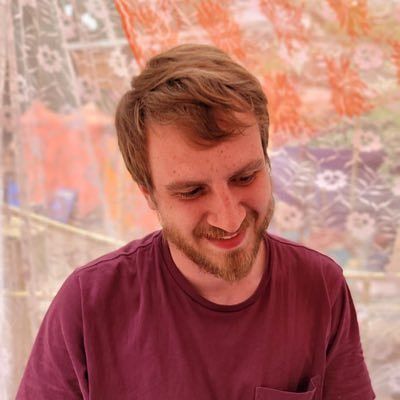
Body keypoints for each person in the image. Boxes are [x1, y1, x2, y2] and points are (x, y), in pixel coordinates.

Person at [17, 44, 375, 399]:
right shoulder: (87, 305)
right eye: (191, 192)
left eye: (245, 177)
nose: (229, 217)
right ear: (149, 195)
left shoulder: (320, 287)